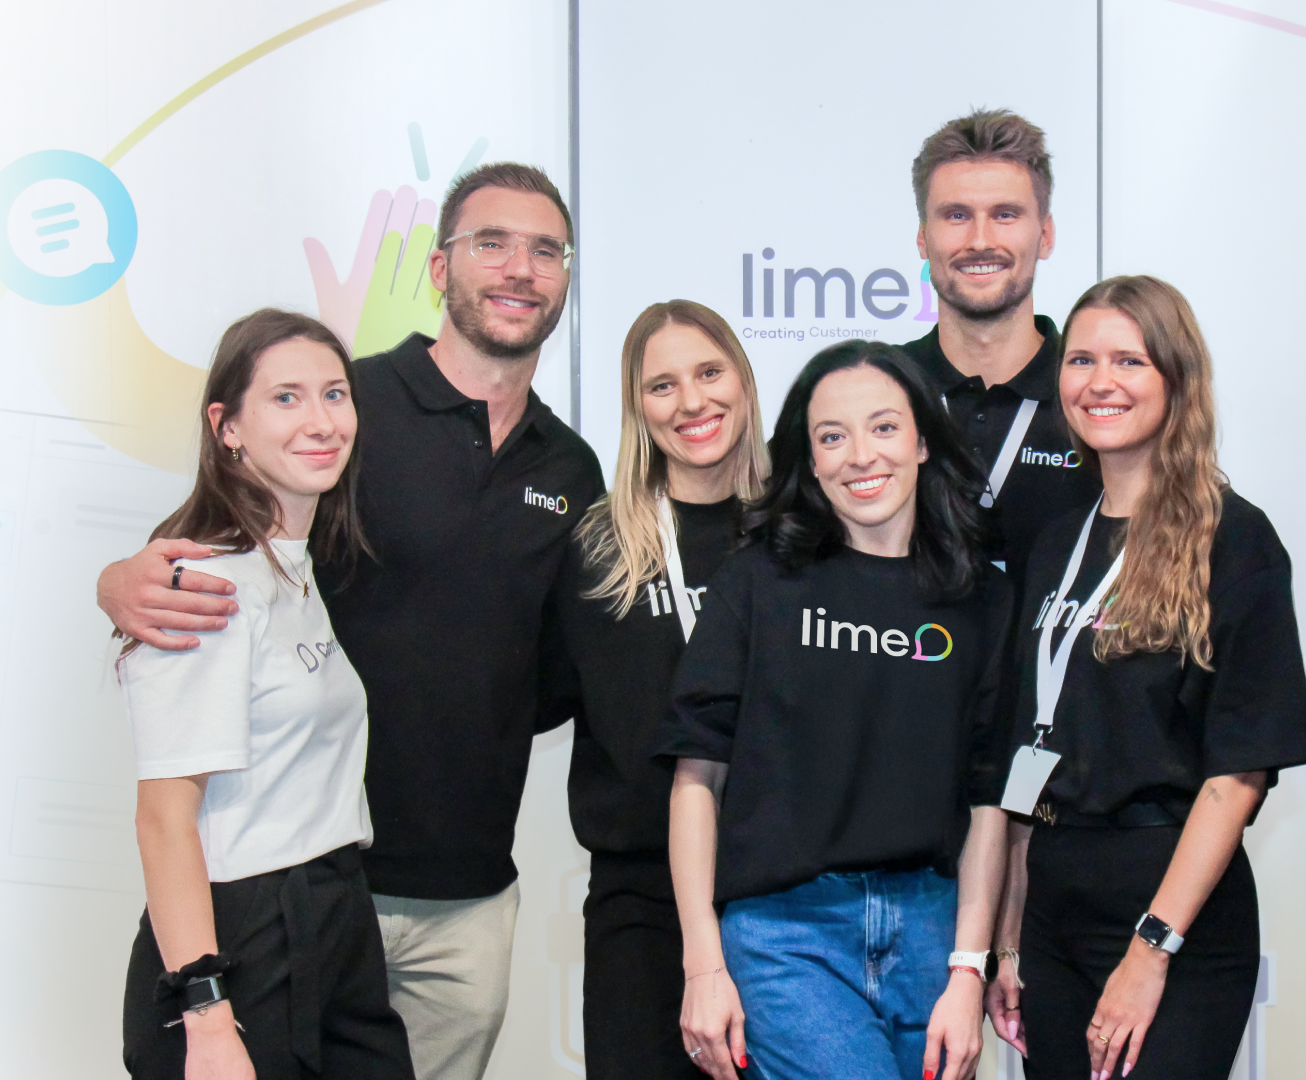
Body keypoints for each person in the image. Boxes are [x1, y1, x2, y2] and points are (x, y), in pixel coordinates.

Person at [99, 163, 603, 1080]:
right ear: (442, 269)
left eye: (545, 250)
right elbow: (227, 536)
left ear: (567, 276)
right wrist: (122, 577)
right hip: (315, 884)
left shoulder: (570, 467)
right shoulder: (350, 403)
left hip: (471, 893)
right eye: (490, 243)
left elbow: (566, 670)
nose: (518, 269)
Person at [662, 340, 1016, 1080]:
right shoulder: (757, 583)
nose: (861, 456)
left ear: (923, 440)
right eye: (833, 436)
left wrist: (967, 971)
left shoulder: (981, 599)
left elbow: (988, 799)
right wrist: (703, 963)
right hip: (787, 934)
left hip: (931, 927)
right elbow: (698, 778)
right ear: (810, 459)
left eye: (884, 428)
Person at [983, 277, 1306, 1080]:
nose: (1101, 382)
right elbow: (1034, 746)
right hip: (1054, 906)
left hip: (1171, 908)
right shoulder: (1057, 542)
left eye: (1129, 360)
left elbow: (1238, 775)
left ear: (1176, 378)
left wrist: (1151, 950)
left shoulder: (1234, 539)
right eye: (1082, 358)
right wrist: (1012, 936)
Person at [118, 309, 413, 1080]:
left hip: (334, 912)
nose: (320, 420)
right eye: (286, 398)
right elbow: (163, 820)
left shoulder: (297, 567)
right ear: (228, 427)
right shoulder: (205, 587)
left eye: (334, 394)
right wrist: (207, 1015)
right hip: (241, 937)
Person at [538, 300, 766, 1078]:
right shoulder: (598, 547)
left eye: (709, 372)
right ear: (638, 407)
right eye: (662, 384)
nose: (693, 401)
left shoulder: (802, 535)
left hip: (781, 899)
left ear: (743, 378)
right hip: (641, 903)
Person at [903, 109, 1103, 574]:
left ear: (1046, 235)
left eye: (1005, 215)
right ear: (922, 237)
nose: (979, 240)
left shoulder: (1100, 398)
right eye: (956, 215)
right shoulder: (876, 390)